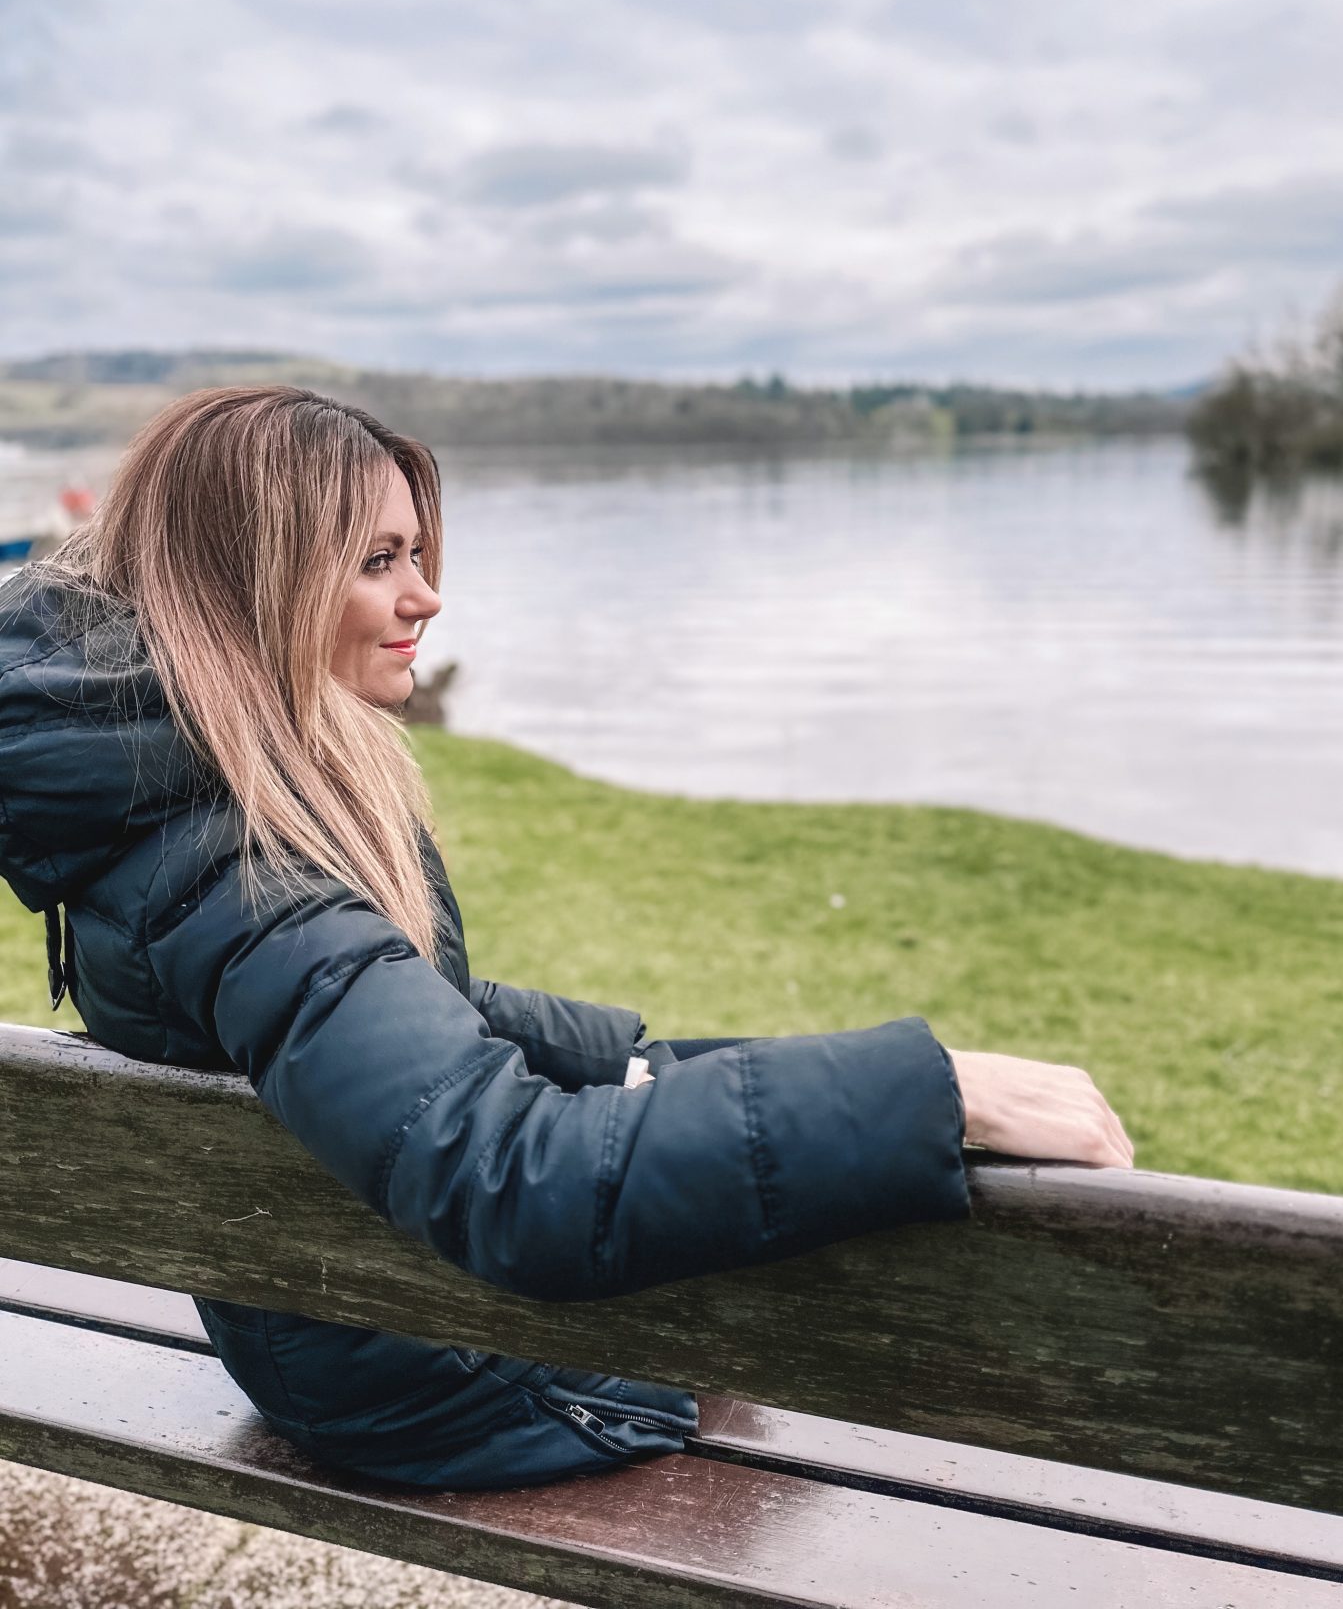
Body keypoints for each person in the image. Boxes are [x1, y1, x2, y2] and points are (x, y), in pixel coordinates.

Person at [0, 385, 1132, 1491]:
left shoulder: (159, 803)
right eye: (380, 560)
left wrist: (631, 1059)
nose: (428, 596)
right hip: (430, 1380)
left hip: (346, 1328)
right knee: (846, 1391)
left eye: (418, 556)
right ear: (261, 586)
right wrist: (934, 1097)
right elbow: (512, 1181)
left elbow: (380, 1009)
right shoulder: (246, 869)